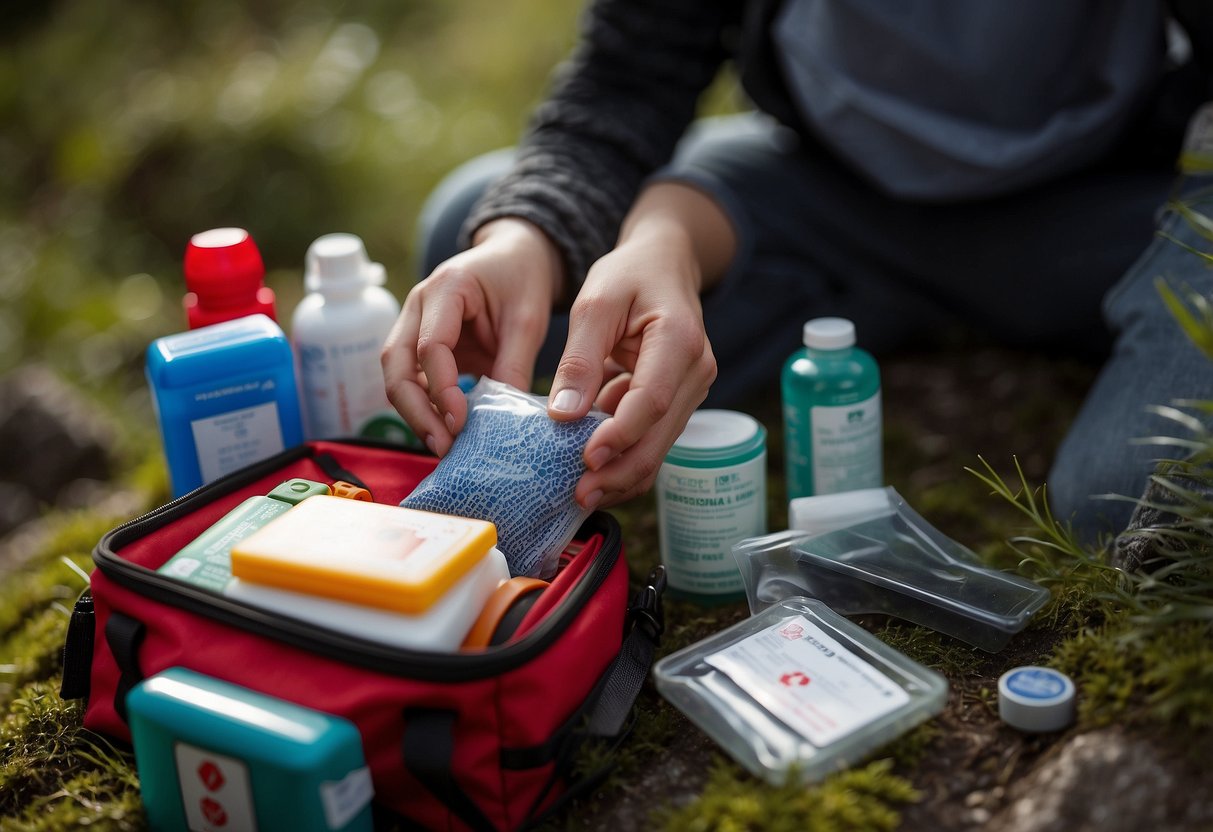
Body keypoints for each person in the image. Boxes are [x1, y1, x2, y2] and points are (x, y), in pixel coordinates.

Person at [382, 0, 1213, 543]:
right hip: (833, 193)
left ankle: (891, 301)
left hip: (1123, 204)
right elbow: (627, 80)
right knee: (471, 238)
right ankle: (886, 297)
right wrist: (572, 236)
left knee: (1139, 504)